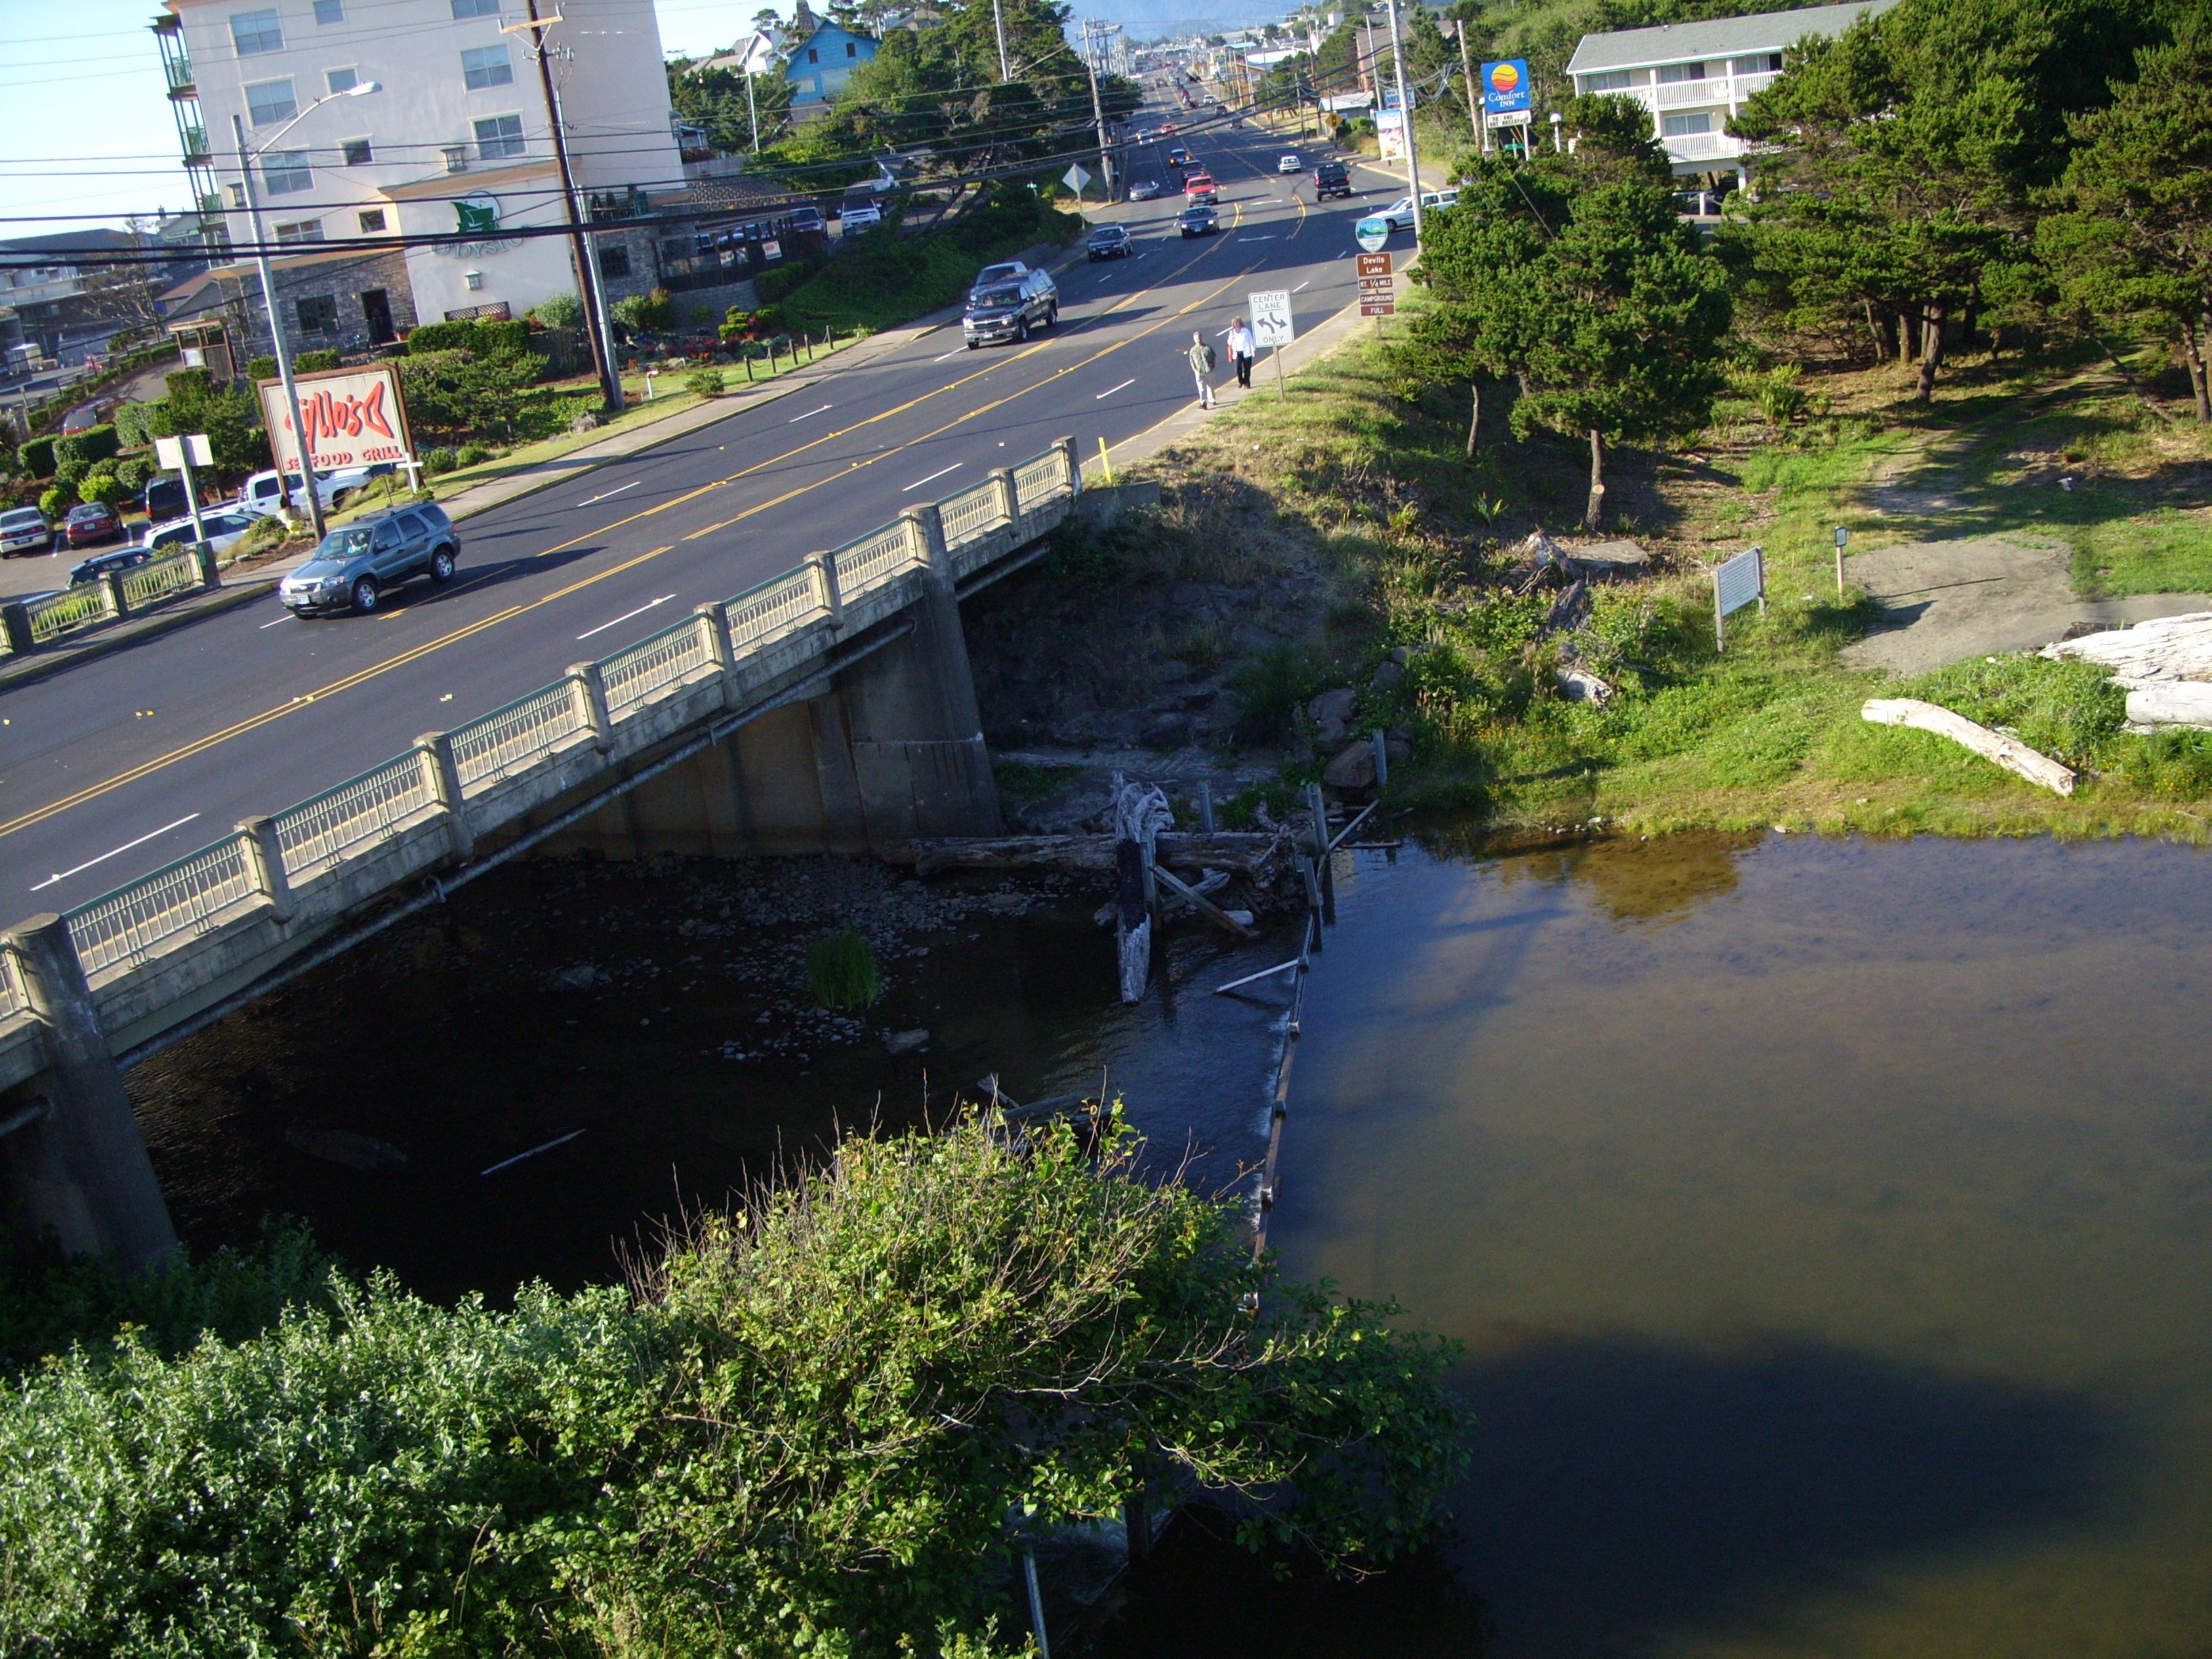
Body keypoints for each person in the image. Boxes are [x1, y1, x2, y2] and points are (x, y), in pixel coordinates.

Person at [1185, 330, 1217, 409]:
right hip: (1199, 372)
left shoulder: (1208, 348)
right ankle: (1203, 403)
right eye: (1197, 339)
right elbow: (1192, 361)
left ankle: (1212, 400)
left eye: (1199, 338)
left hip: (1208, 371)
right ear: (1194, 340)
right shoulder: (1193, 351)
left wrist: (1213, 365)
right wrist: (1195, 369)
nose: (1198, 340)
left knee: (1210, 386)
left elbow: (1213, 358)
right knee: (1202, 388)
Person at [1227, 316, 1256, 390]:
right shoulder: (1232, 332)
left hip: (1246, 352)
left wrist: (1253, 350)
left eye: (1238, 323)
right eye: (1235, 323)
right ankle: (1241, 381)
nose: (1236, 325)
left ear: (1240, 323)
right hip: (1237, 353)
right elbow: (1229, 343)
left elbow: (1251, 341)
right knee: (1238, 369)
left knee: (1247, 369)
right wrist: (1232, 338)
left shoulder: (1246, 331)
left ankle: (1247, 383)